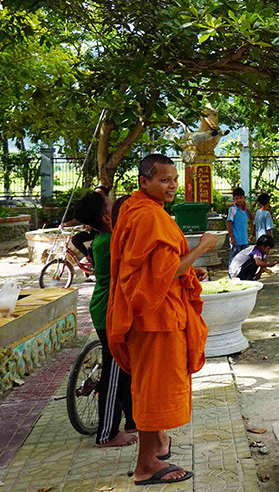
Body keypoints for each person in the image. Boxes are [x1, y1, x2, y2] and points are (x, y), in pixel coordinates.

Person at [108, 153, 219, 485]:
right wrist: (201, 249)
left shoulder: (142, 210)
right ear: (145, 182)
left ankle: (156, 447)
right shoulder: (148, 217)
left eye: (173, 180)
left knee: (151, 387)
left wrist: (189, 270)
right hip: (154, 319)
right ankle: (146, 467)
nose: (171, 186)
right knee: (152, 392)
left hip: (156, 313)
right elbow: (165, 272)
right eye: (163, 180)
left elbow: (158, 268)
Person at [75, 191, 136, 449]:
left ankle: (132, 421)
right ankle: (106, 434)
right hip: (107, 311)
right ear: (105, 217)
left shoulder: (106, 238)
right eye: (112, 205)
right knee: (114, 372)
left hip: (113, 308)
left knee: (127, 369)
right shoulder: (109, 242)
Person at [227, 187, 254, 262]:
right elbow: (229, 223)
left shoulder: (245, 210)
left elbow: (253, 219)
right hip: (236, 240)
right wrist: (231, 237)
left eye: (241, 198)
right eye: (237, 198)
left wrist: (247, 209)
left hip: (244, 239)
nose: (239, 200)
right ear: (234, 199)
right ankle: (232, 272)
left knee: (243, 259)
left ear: (244, 198)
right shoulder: (233, 209)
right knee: (234, 258)